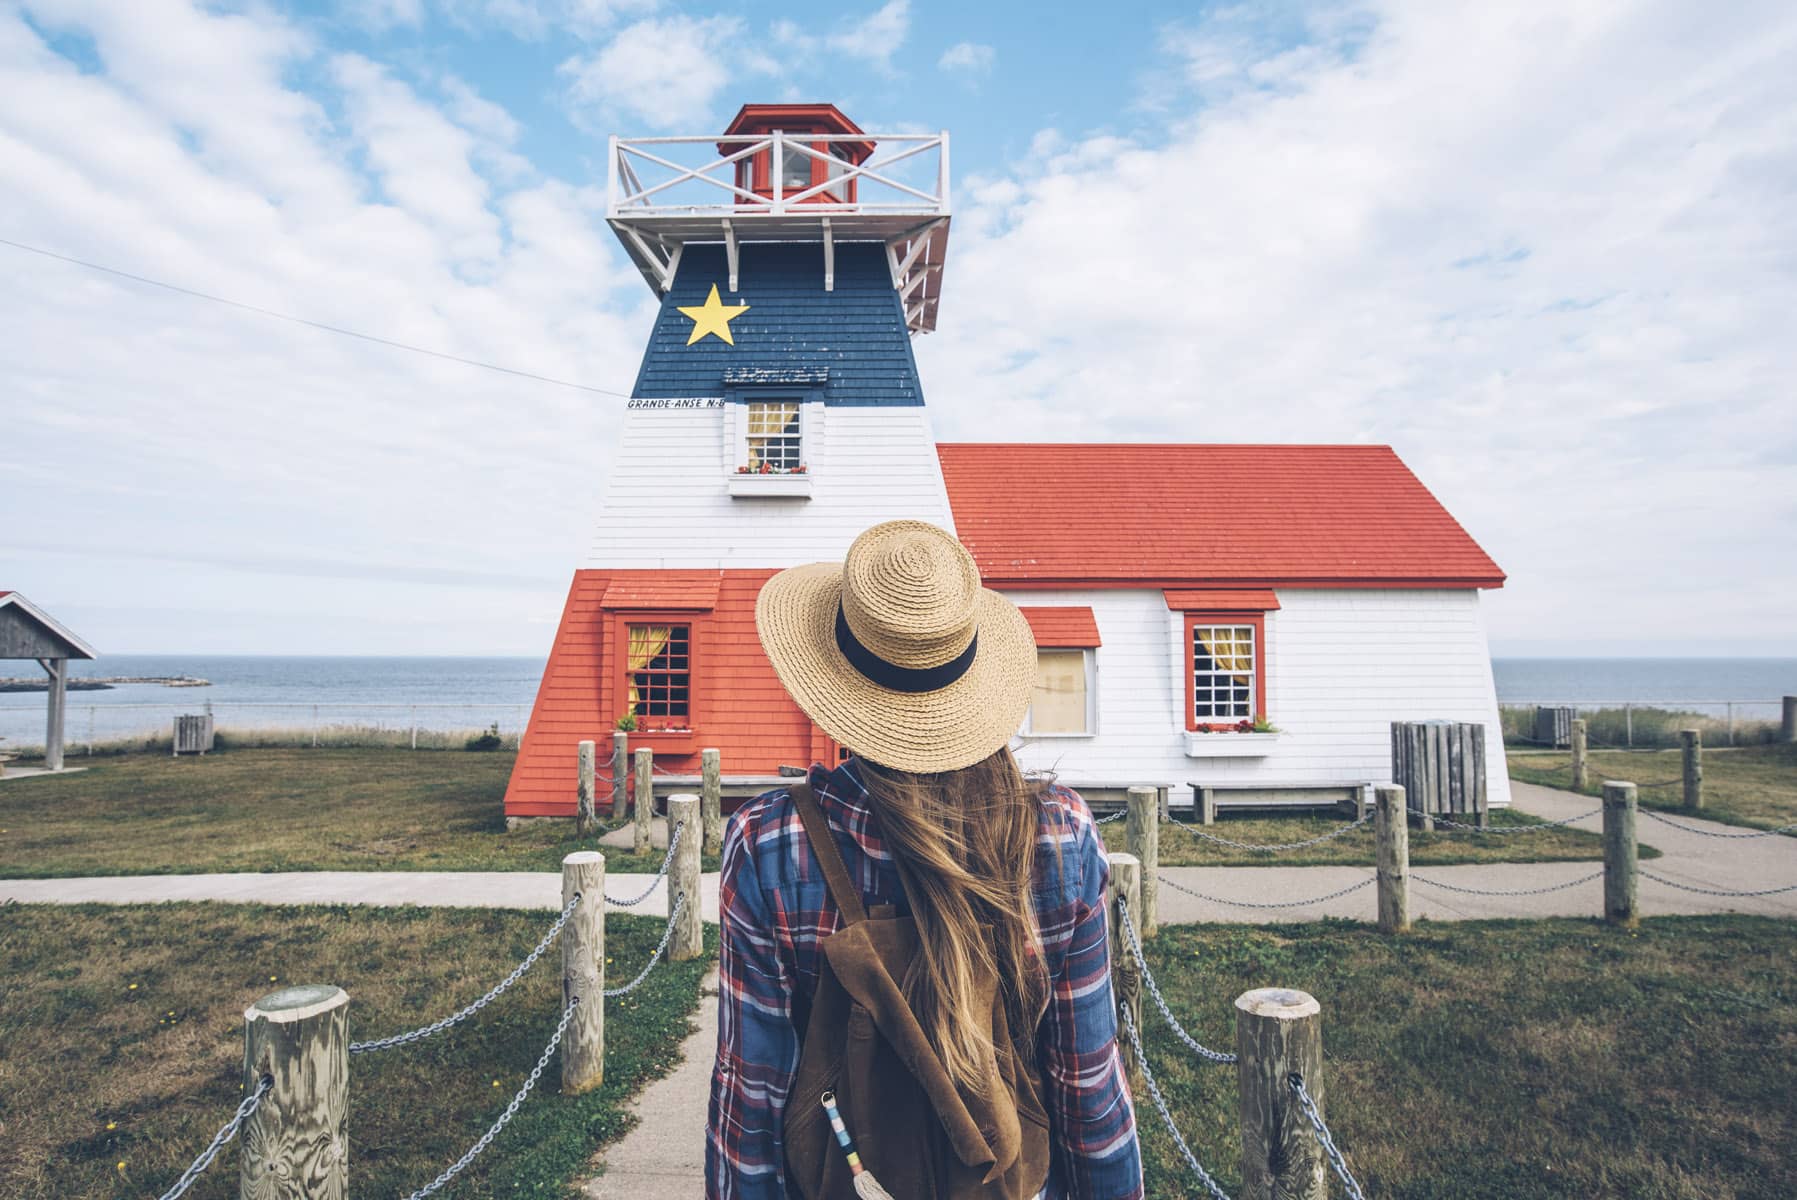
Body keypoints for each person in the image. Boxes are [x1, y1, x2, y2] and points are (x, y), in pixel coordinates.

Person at [706, 519, 1143, 1199]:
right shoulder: (1058, 834)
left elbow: (752, 1093)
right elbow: (1085, 1082)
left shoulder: (768, 842)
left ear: (836, 682)